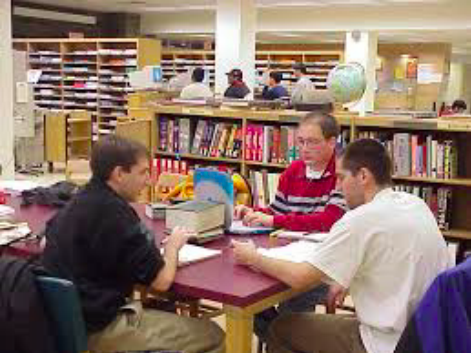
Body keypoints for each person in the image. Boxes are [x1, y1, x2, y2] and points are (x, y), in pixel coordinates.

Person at [233, 138, 450, 353]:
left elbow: (300, 277)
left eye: (341, 178)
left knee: (281, 327)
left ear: (363, 176)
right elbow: (390, 257)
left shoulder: (359, 219)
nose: (337, 186)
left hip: (384, 344)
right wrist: (346, 276)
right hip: (427, 336)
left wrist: (253, 257)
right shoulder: (414, 204)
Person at [41, 135, 225, 353]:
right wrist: (173, 247)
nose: (148, 181)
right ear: (119, 174)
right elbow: (161, 282)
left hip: (61, 322)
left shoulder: (77, 200)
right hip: (100, 326)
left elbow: (45, 242)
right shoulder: (118, 215)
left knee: (164, 310)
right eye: (143, 172)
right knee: (213, 335)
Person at [234, 111, 347, 341]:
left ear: (332, 142)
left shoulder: (342, 174)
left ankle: (283, 341)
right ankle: (283, 343)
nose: (305, 148)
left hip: (322, 267)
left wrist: (274, 220)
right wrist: (254, 214)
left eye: (313, 142)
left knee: (292, 308)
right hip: (287, 254)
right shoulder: (293, 171)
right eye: (300, 141)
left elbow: (328, 221)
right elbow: (278, 210)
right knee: (243, 295)